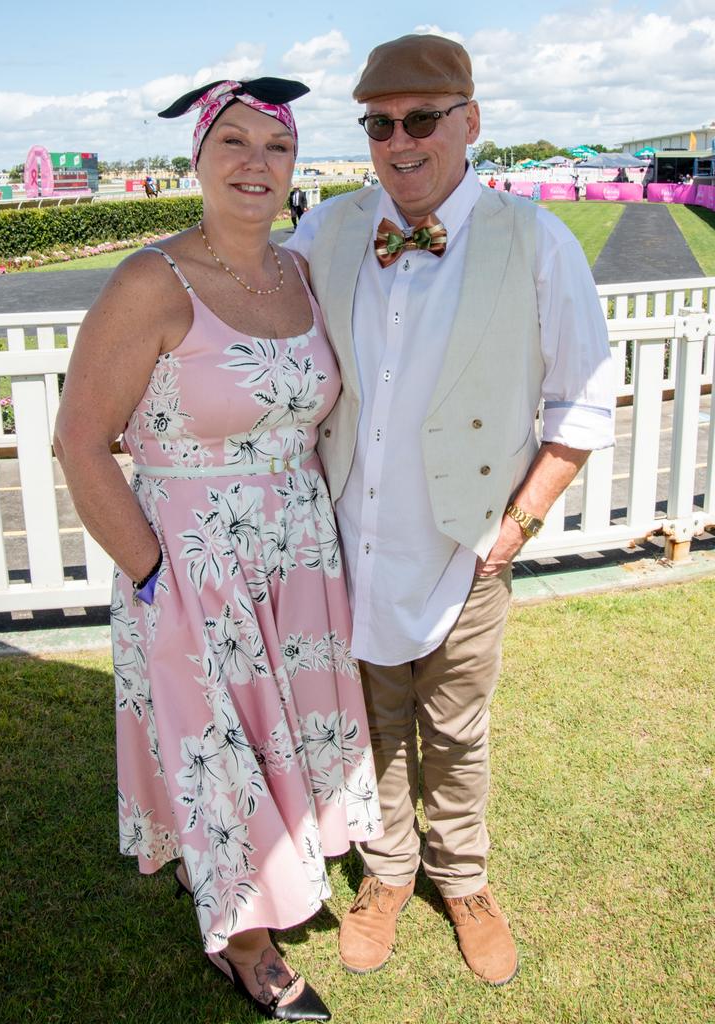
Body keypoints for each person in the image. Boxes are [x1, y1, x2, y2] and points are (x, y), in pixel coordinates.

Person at [288, 33, 614, 986]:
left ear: (469, 122)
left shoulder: (537, 240)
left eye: (422, 119)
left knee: (457, 732)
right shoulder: (332, 228)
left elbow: (583, 405)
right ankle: (389, 871)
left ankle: (463, 878)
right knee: (377, 722)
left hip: (469, 550)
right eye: (381, 124)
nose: (400, 142)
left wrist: (513, 532)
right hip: (355, 543)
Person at [54, 75, 382, 1022]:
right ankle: (246, 942)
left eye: (275, 147)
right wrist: (153, 572)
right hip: (192, 562)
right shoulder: (150, 280)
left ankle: (292, 866)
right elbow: (81, 439)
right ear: (194, 160)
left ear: (295, 166)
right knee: (217, 748)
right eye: (231, 142)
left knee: (281, 725)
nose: (255, 163)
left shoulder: (301, 271)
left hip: (299, 555)